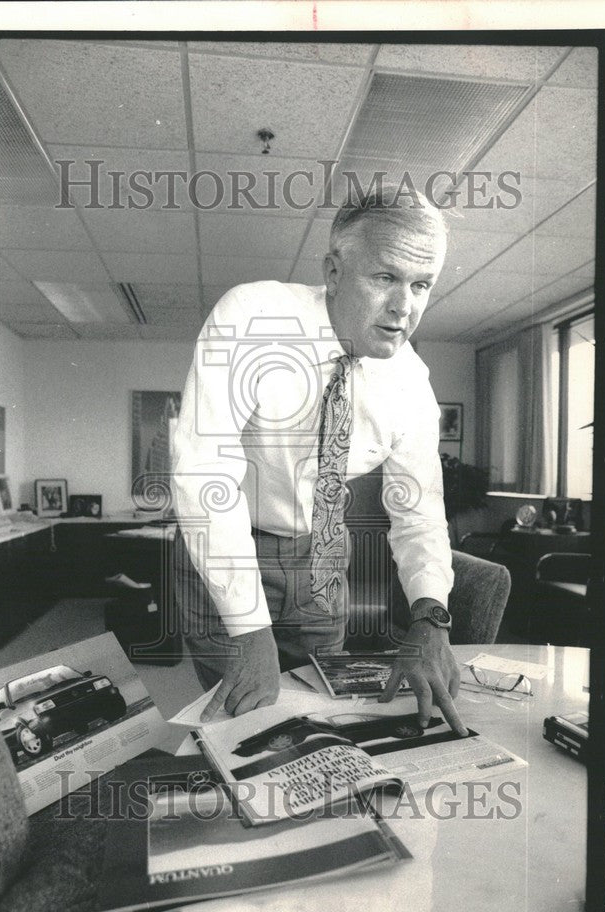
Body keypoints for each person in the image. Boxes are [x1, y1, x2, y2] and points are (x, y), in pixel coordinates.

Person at [171, 185, 466, 734]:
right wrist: (249, 630)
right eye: (385, 278)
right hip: (232, 548)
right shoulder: (252, 317)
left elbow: (419, 514)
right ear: (333, 272)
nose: (405, 308)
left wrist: (431, 617)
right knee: (239, 723)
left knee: (322, 720)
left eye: (421, 285)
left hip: (322, 559)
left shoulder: (411, 385)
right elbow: (205, 473)